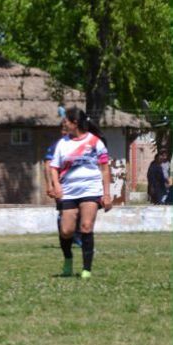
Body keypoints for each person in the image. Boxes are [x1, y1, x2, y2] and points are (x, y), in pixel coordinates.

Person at [49, 107, 112, 279]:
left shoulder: (95, 142)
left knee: (86, 226)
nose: (64, 125)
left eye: (66, 122)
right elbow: (53, 167)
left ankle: (86, 269)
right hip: (68, 192)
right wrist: (56, 186)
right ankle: (68, 259)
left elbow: (105, 170)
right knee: (67, 231)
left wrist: (106, 194)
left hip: (91, 190)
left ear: (74, 123)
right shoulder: (62, 144)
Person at [44, 122, 81, 246]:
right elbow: (48, 165)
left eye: (67, 129)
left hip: (77, 184)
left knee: (80, 210)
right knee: (63, 211)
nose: (65, 132)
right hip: (61, 184)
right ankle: (66, 238)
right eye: (63, 130)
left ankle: (75, 234)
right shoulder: (57, 145)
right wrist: (50, 185)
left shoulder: (79, 144)